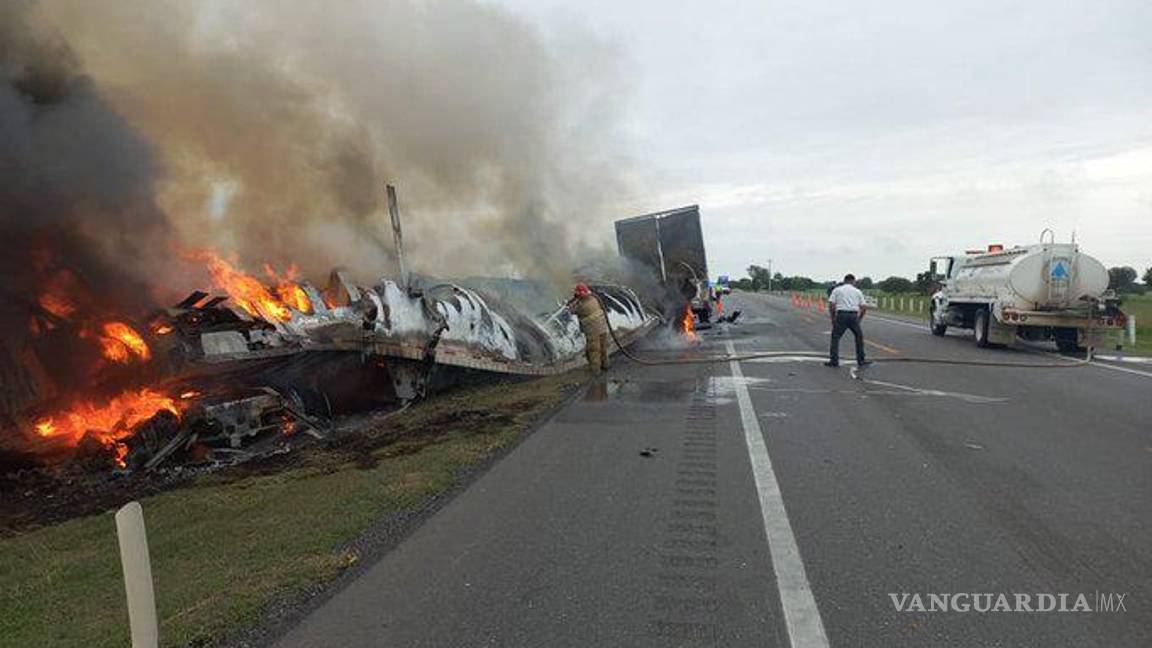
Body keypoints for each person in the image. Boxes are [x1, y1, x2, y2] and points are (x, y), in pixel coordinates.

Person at [826, 274, 870, 368]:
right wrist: (859, 318)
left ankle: (834, 361)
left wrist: (833, 317)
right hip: (853, 315)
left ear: (844, 280)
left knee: (835, 338)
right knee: (859, 338)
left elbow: (832, 305)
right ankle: (861, 360)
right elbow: (864, 307)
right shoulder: (857, 291)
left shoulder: (837, 290)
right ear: (853, 281)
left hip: (841, 315)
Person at [569, 283, 609, 375]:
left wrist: (574, 300)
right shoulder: (594, 299)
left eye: (578, 293)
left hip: (592, 331)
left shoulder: (583, 305)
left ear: (581, 293)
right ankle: (605, 366)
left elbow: (572, 310)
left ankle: (596, 372)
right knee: (603, 348)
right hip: (602, 328)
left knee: (593, 351)